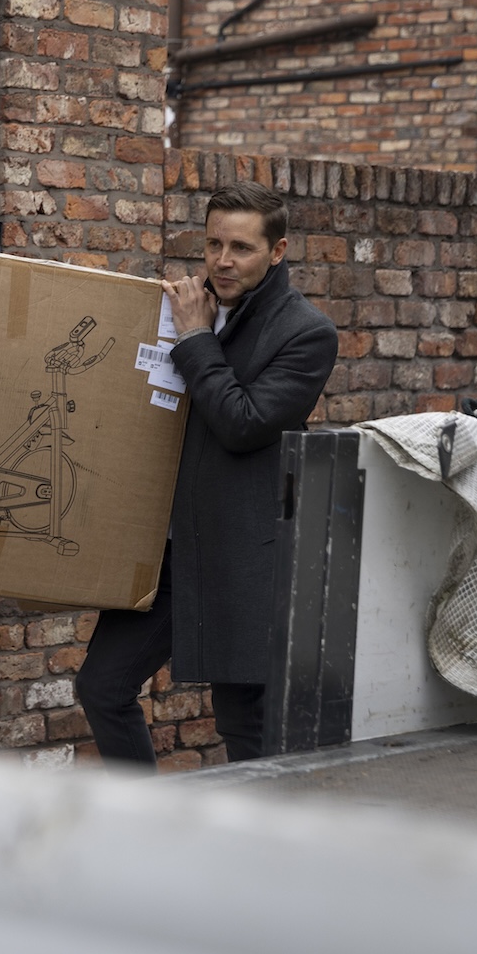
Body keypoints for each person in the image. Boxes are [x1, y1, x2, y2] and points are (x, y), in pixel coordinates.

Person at [76, 181, 338, 765]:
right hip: (168, 553)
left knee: (246, 725)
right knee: (101, 686)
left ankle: (260, 850)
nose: (222, 260)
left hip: (243, 557)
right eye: (214, 243)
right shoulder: (186, 307)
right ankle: (146, 828)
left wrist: (196, 338)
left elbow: (244, 423)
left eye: (241, 248)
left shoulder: (305, 333)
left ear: (278, 250)